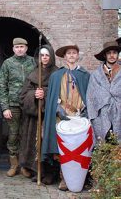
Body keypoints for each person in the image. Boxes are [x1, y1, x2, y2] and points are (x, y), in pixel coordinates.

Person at [41, 44, 90, 191]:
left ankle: (80, 178)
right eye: (69, 53)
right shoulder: (56, 76)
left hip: (79, 116)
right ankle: (64, 179)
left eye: (74, 53)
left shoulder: (84, 75)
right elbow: (52, 97)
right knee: (63, 149)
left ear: (77, 55)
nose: (71, 55)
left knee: (78, 148)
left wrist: (84, 112)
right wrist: (58, 110)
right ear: (64, 56)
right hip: (60, 117)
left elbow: (89, 96)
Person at [19, 44, 58, 183]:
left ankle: (51, 173)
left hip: (50, 116)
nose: (44, 58)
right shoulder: (33, 74)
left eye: (47, 55)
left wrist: (45, 94)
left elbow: (60, 94)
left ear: (51, 56)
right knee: (36, 143)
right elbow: (23, 96)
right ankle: (38, 171)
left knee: (48, 142)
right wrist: (34, 95)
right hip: (35, 117)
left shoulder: (57, 73)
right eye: (42, 55)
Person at [0, 38, 36, 177]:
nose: (19, 49)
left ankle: (24, 165)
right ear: (13, 49)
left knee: (26, 135)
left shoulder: (33, 62)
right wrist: (5, 107)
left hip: (29, 104)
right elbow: (2, 86)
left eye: (22, 47)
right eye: (17, 47)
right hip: (12, 105)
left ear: (26, 48)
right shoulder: (8, 63)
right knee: (13, 135)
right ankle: (14, 164)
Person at [87, 41, 121, 143]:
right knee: (104, 148)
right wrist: (93, 116)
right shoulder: (96, 75)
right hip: (102, 117)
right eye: (109, 53)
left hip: (119, 115)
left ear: (117, 55)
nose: (112, 55)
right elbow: (90, 97)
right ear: (105, 55)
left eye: (114, 52)